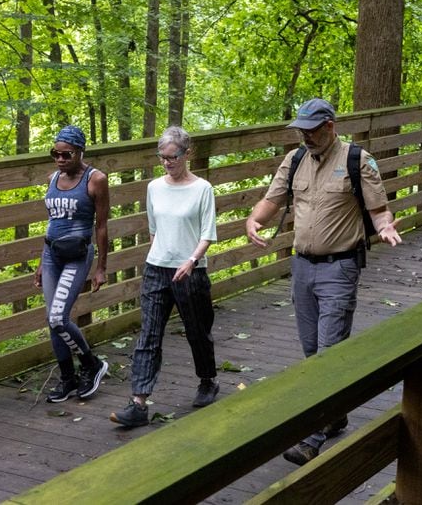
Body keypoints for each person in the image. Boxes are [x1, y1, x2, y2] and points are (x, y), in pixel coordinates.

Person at [246, 98, 402, 466]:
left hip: (340, 268)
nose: (306, 136)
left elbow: (379, 211)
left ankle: (311, 436)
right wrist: (254, 221)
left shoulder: (357, 160)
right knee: (312, 348)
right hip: (302, 268)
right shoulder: (295, 159)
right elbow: (271, 200)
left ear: (330, 126)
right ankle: (335, 414)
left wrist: (385, 228)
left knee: (328, 353)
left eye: (313, 130)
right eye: (301, 130)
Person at [110, 126, 219, 428]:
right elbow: (153, 229)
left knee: (197, 331)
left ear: (187, 154)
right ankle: (138, 402)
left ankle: (208, 380)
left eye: (172, 157)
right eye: (162, 158)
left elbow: (208, 234)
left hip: (191, 270)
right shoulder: (155, 187)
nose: (167, 163)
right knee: (149, 334)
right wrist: (163, 255)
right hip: (157, 267)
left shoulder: (202, 189)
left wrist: (191, 260)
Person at [34, 125, 110, 403]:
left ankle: (92, 364)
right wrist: (41, 262)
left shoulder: (95, 179)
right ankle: (68, 379)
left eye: (66, 154)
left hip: (77, 255)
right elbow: (52, 221)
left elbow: (101, 226)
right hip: (51, 255)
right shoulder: (53, 178)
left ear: (80, 152)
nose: (60, 159)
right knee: (52, 320)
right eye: (55, 153)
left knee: (58, 317)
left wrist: (101, 267)